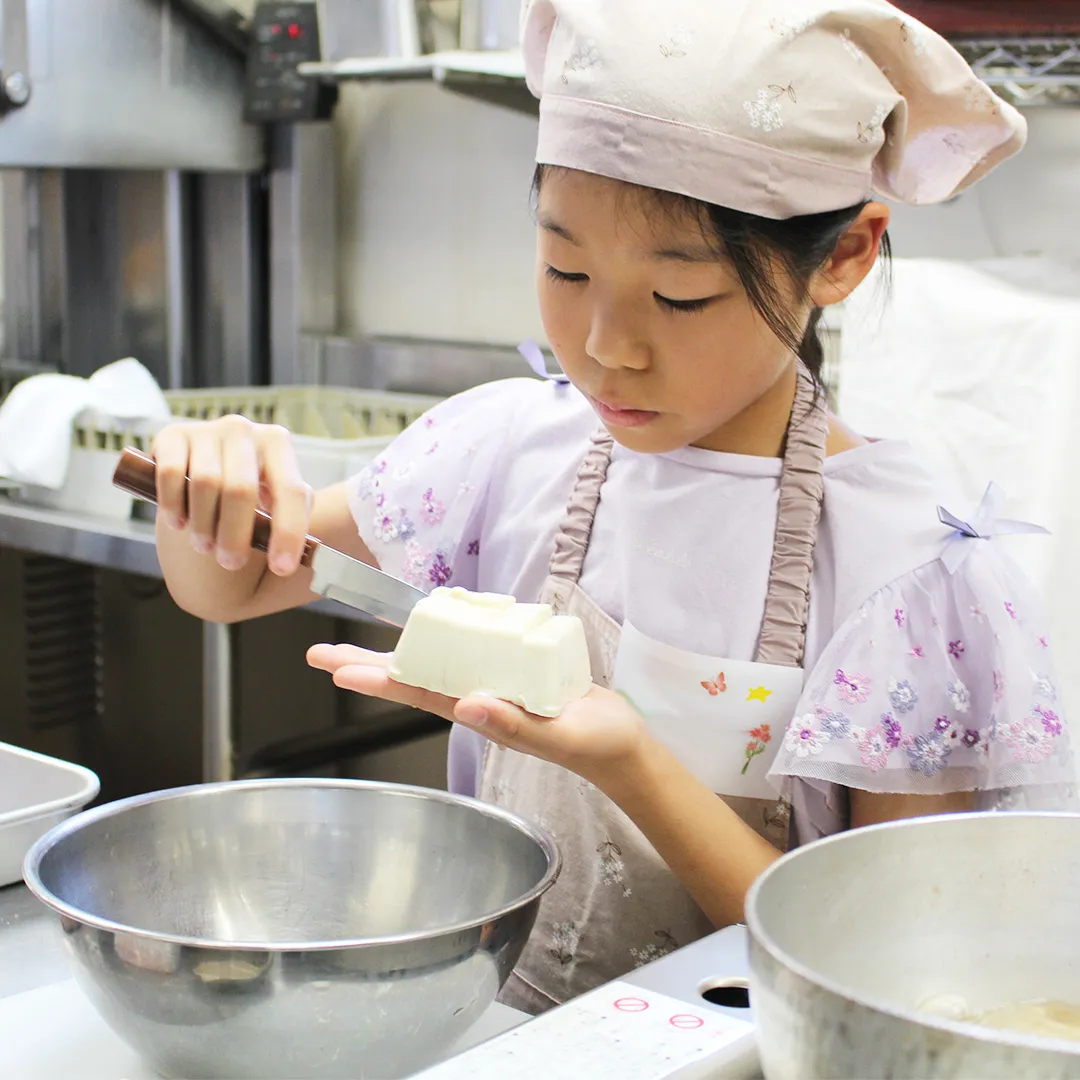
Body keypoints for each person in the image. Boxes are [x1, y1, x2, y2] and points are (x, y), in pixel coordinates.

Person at [153, 0, 1076, 1014]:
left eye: (680, 297)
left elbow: (884, 976)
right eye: (566, 267)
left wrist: (633, 763)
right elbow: (232, 585)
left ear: (846, 256)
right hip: (504, 1036)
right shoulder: (508, 450)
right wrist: (214, 480)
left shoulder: (905, 571)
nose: (605, 346)